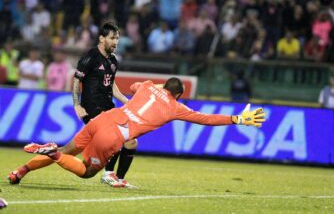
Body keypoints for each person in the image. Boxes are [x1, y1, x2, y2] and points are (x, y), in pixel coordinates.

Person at [7, 78, 266, 185]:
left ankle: (20, 172)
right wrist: (237, 119)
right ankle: (53, 154)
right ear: (178, 94)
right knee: (86, 171)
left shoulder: (148, 85)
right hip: (117, 133)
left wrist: (146, 88)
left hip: (105, 118)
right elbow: (207, 119)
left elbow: (132, 88)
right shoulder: (176, 107)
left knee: (67, 148)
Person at [72, 22, 137, 188]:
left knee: (131, 141)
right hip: (92, 107)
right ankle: (108, 173)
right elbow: (77, 80)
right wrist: (76, 105)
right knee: (116, 137)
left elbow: (112, 86)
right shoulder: (90, 57)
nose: (116, 42)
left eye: (117, 38)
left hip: (109, 106)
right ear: (102, 38)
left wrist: (127, 102)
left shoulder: (113, 61)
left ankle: (119, 178)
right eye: (112, 38)